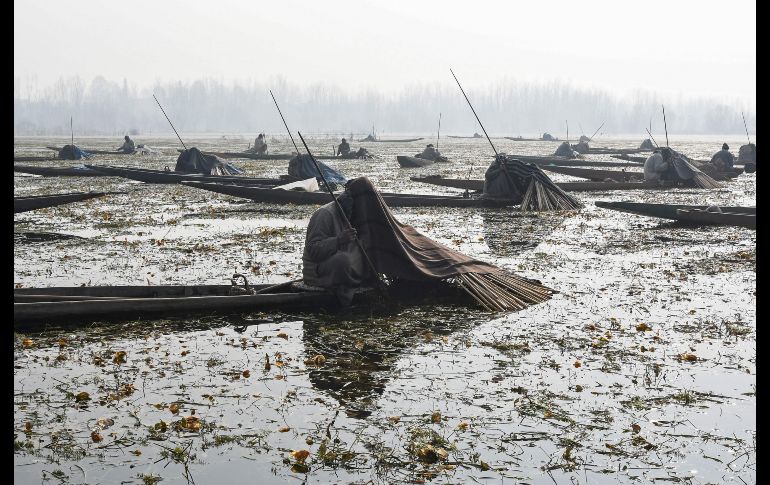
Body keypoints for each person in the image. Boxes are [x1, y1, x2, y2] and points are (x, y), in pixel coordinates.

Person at [302, 190, 366, 307]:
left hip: (340, 263)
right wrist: (338, 240)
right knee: (342, 260)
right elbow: (313, 251)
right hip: (317, 270)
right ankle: (347, 289)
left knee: (365, 252)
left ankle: (353, 281)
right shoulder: (324, 214)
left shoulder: (355, 215)